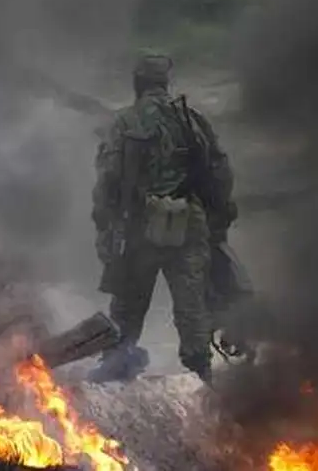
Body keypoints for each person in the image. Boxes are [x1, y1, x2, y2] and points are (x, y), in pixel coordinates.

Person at [89, 52, 236, 384]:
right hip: (188, 222)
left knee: (129, 301)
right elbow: (220, 172)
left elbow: (108, 179)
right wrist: (219, 219)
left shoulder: (125, 122)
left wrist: (105, 224)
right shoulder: (191, 119)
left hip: (140, 224)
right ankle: (202, 371)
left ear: (137, 84)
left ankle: (117, 365)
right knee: (191, 303)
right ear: (164, 83)